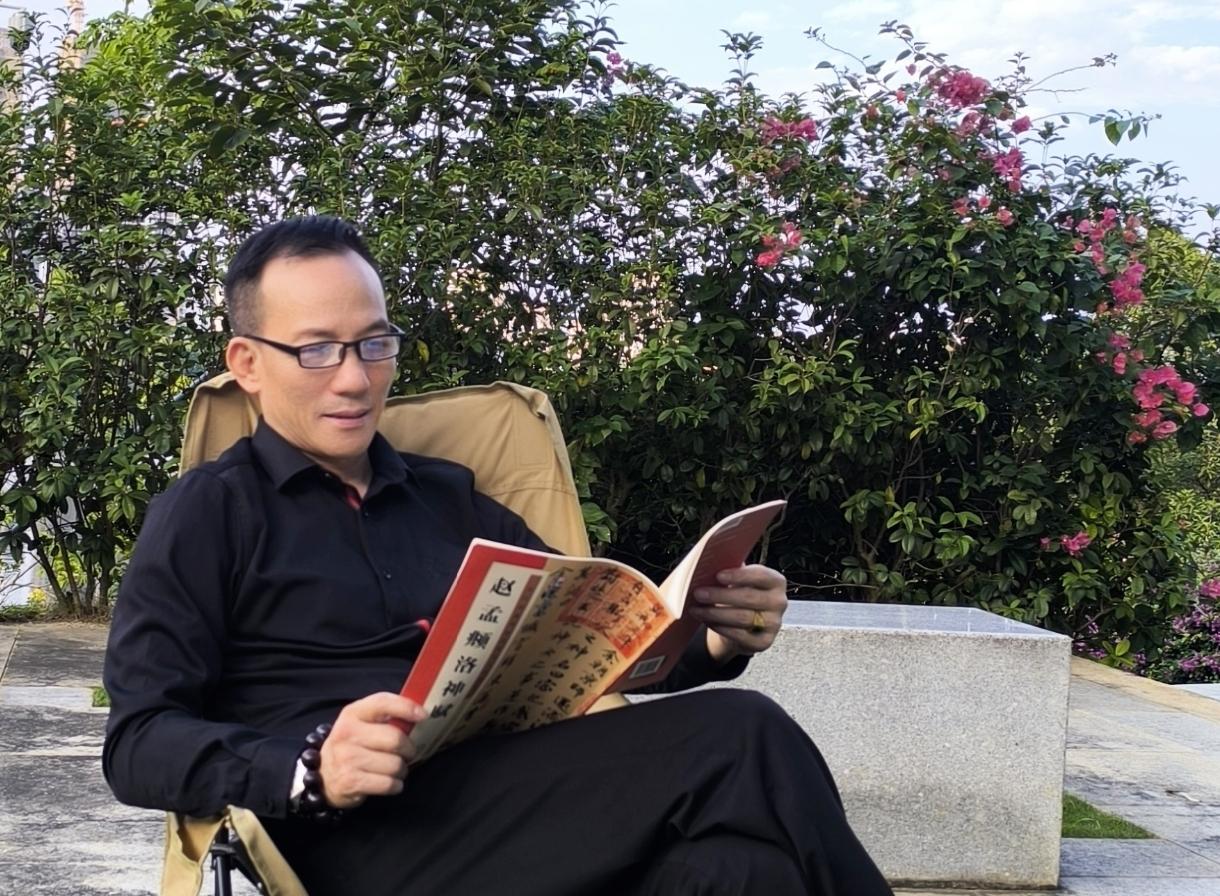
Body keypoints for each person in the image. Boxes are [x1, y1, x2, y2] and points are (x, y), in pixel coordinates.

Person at [103, 216, 893, 896]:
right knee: (740, 736)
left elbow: (594, 646)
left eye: (374, 343)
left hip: (513, 805)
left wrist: (714, 636)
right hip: (358, 841)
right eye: (317, 351)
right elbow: (137, 741)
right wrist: (308, 767)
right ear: (247, 363)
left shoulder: (451, 499)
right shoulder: (209, 512)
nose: (354, 378)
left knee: (741, 870)